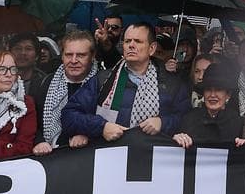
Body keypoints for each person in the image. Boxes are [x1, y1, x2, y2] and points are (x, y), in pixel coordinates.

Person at [62, 22, 191, 146]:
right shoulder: (103, 80)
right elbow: (69, 115)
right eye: (127, 41)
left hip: (151, 160)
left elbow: (188, 119)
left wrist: (163, 123)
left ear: (152, 49)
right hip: (111, 156)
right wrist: (101, 127)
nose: (131, 45)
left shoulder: (172, 84)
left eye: (138, 41)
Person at [31, 30, 104, 155]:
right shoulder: (44, 83)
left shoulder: (102, 82)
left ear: (92, 56)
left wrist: (87, 134)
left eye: (81, 55)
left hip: (89, 156)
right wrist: (39, 141)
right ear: (62, 55)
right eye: (69, 55)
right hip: (49, 157)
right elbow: (32, 121)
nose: (74, 60)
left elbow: (108, 121)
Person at [174, 63, 243, 148]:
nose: (212, 95)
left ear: (228, 94)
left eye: (218, 89)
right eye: (208, 89)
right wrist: (177, 139)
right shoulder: (189, 119)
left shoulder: (238, 122)